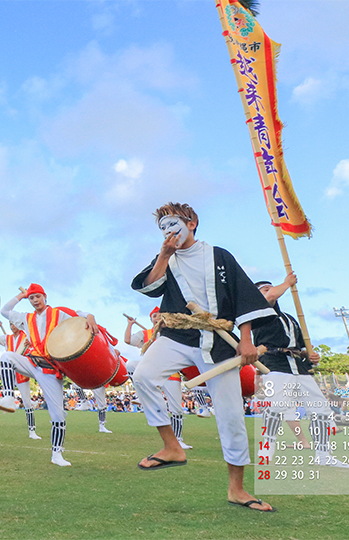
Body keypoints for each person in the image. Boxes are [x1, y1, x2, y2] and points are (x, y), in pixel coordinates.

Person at [131, 202, 276, 512]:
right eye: (163, 228)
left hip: (219, 341)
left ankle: (237, 489)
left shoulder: (219, 256)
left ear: (192, 222)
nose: (169, 232)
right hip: (177, 334)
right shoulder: (166, 259)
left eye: (174, 224)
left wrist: (246, 341)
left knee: (231, 416)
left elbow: (244, 298)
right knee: (143, 375)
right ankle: (172, 446)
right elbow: (149, 287)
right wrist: (165, 255)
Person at [0, 283, 99, 467]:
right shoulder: (25, 318)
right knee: (6, 357)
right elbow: (5, 311)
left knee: (58, 416)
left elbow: (78, 317)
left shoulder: (58, 314)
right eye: (31, 298)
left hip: (50, 369)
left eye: (37, 297)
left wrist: (90, 316)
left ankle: (57, 454)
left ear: (45, 297)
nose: (35, 300)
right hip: (31, 362)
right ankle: (8, 398)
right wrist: (20, 296)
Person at [254, 273, 349, 468]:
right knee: (276, 407)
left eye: (271, 288)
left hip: (299, 367)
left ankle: (323, 454)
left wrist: (309, 355)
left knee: (320, 409)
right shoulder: (258, 312)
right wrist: (287, 284)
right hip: (275, 364)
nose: (271, 291)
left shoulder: (289, 318)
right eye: (265, 289)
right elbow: (269, 298)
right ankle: (267, 446)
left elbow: (298, 346)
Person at [124, 308, 194, 448]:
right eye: (155, 316)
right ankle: (141, 394)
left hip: (171, 373)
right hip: (151, 371)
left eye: (160, 315)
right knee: (130, 365)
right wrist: (130, 324)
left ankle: (178, 439)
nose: (157, 318)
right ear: (151, 319)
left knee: (177, 410)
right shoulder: (146, 334)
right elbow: (127, 340)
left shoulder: (174, 333)